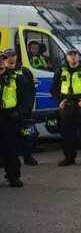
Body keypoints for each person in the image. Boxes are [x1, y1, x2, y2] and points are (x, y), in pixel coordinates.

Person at [50, 49, 81, 167]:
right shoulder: (60, 72)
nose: (73, 58)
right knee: (67, 133)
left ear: (78, 57)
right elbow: (54, 90)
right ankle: (69, 158)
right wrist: (60, 101)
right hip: (67, 104)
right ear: (67, 58)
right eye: (70, 56)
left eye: (75, 55)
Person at [0, 50, 33, 187]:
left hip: (9, 118)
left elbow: (27, 99)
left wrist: (19, 114)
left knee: (11, 149)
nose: (2, 61)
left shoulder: (16, 78)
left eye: (3, 59)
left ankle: (13, 176)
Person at [5, 49, 39, 166]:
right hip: (8, 110)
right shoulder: (3, 72)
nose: (11, 58)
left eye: (13, 55)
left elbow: (31, 91)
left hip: (23, 109)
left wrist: (27, 109)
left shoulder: (25, 72)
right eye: (8, 56)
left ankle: (28, 156)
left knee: (27, 134)